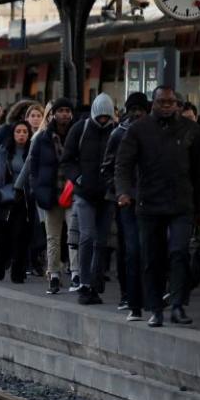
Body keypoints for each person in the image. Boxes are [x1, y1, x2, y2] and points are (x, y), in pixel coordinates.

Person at [115, 86, 200, 327]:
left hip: (181, 202)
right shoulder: (138, 130)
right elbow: (123, 164)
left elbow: (199, 172)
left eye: (171, 102)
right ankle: (155, 308)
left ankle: (177, 305)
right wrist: (124, 191)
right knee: (152, 258)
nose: (167, 106)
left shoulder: (191, 130)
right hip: (149, 203)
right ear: (153, 104)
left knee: (179, 252)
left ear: (178, 104)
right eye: (162, 102)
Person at [61, 93, 117, 305]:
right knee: (87, 236)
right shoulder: (80, 129)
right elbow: (66, 160)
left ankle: (94, 282)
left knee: (101, 241)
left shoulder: (115, 131)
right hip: (84, 193)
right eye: (100, 117)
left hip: (107, 194)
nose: (103, 120)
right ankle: (84, 282)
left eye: (106, 117)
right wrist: (78, 178)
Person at [101, 92, 149, 320]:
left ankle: (144, 294)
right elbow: (107, 167)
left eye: (141, 108)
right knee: (130, 249)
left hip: (151, 200)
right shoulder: (118, 134)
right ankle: (129, 296)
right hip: (126, 201)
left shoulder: (155, 133)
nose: (137, 113)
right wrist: (120, 191)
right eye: (134, 109)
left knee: (147, 248)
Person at [28, 98, 75, 294]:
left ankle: (76, 273)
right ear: (54, 114)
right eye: (61, 111)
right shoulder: (42, 139)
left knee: (74, 235)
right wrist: (38, 190)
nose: (64, 114)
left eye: (67, 110)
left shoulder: (77, 134)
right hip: (50, 195)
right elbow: (33, 168)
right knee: (53, 237)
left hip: (73, 194)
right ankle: (53, 274)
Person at [0, 121, 34, 283]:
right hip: (4, 199)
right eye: (18, 131)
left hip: (24, 199)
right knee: (3, 236)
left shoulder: (33, 151)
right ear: (13, 134)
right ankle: (0, 262)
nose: (21, 135)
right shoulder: (2, 152)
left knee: (20, 235)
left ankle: (17, 271)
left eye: (25, 132)